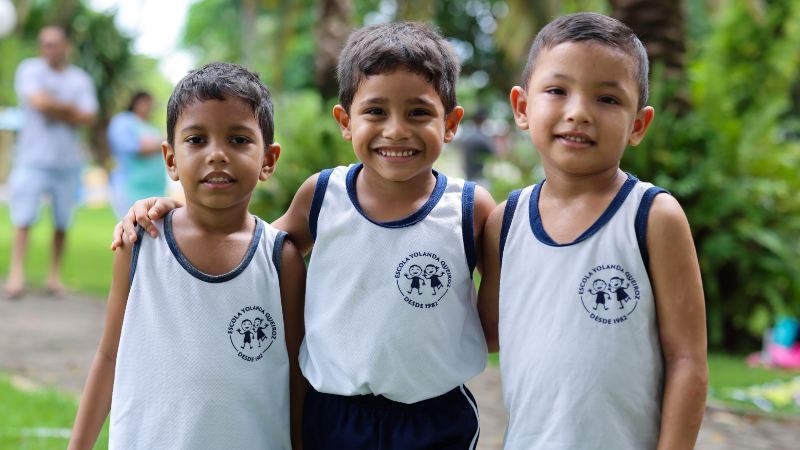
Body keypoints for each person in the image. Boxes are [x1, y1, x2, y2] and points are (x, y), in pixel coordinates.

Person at [111, 22, 496, 449]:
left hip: (436, 419)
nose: (397, 129)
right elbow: (249, 252)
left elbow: (494, 328)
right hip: (332, 416)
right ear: (346, 122)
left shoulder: (470, 210)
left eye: (418, 112)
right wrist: (182, 211)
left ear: (451, 122)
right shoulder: (323, 196)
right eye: (376, 111)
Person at [477, 13, 708, 449]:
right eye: (557, 90)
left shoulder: (653, 217)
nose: (578, 112)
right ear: (523, 108)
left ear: (638, 125)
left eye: (607, 99)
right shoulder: (504, 223)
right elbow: (486, 333)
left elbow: (687, 361)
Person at [67, 62, 307, 449]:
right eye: (196, 139)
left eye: (239, 140)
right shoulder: (140, 243)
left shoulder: (281, 260)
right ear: (170, 158)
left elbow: (297, 380)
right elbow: (110, 356)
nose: (217, 154)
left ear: (269, 159)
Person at [5, 26, 97, 298]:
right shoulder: (29, 69)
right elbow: (38, 103)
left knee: (62, 223)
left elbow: (89, 116)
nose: (49, 49)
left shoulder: (80, 79)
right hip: (31, 159)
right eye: (45, 44)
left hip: (67, 163)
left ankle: (53, 278)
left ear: (65, 45)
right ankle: (16, 276)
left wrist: (53, 106)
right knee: (23, 218)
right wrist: (69, 108)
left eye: (54, 44)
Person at [107, 91, 166, 220]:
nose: (151, 107)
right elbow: (131, 148)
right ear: (137, 102)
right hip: (130, 188)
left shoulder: (150, 127)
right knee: (133, 231)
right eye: (148, 103)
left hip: (155, 190)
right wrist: (161, 142)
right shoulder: (123, 121)